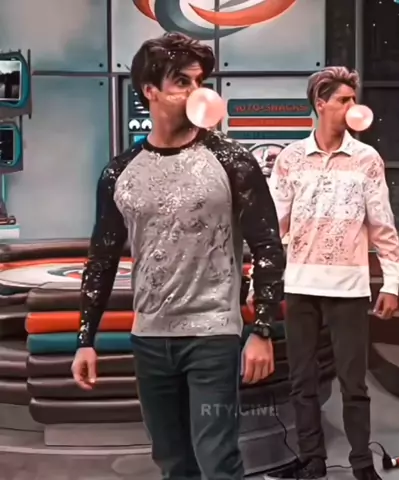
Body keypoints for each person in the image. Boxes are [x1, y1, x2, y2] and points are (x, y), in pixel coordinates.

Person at [71, 32, 285, 480]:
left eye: (200, 81)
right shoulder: (119, 172)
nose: (196, 92)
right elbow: (101, 258)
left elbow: (267, 246)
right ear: (150, 90)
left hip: (213, 333)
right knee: (171, 461)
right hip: (149, 337)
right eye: (182, 82)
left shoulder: (232, 161)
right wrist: (85, 339)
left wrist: (262, 328)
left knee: (217, 459)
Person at [266, 66, 399, 480]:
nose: (351, 107)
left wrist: (392, 282)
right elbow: (273, 225)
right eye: (343, 100)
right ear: (320, 103)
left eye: (353, 99)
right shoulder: (290, 159)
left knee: (354, 384)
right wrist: (265, 278)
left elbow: (383, 225)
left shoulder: (367, 159)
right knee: (301, 380)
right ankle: (312, 461)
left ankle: (362, 465)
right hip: (300, 285)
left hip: (350, 288)